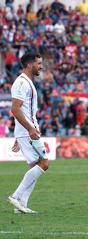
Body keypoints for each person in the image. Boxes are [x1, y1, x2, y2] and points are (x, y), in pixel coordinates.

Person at [7, 52, 48, 214]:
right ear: (30, 65)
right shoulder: (21, 83)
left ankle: (21, 205)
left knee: (35, 166)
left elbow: (22, 109)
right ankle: (16, 197)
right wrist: (28, 129)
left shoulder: (27, 82)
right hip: (28, 130)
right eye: (39, 63)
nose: (41, 66)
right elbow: (15, 108)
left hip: (26, 131)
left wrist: (20, 134)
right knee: (44, 164)